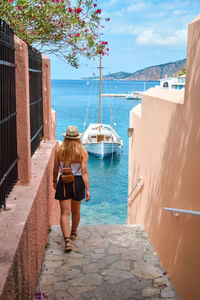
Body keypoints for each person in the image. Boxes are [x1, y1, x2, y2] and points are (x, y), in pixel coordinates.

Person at [53, 126, 90, 252]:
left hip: (63, 181)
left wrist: (54, 181)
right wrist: (88, 190)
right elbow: (84, 172)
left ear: (66, 138)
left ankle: (67, 241)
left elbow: (55, 169)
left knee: (64, 212)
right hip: (78, 182)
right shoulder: (82, 152)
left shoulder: (60, 150)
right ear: (77, 138)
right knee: (76, 210)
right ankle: (73, 232)